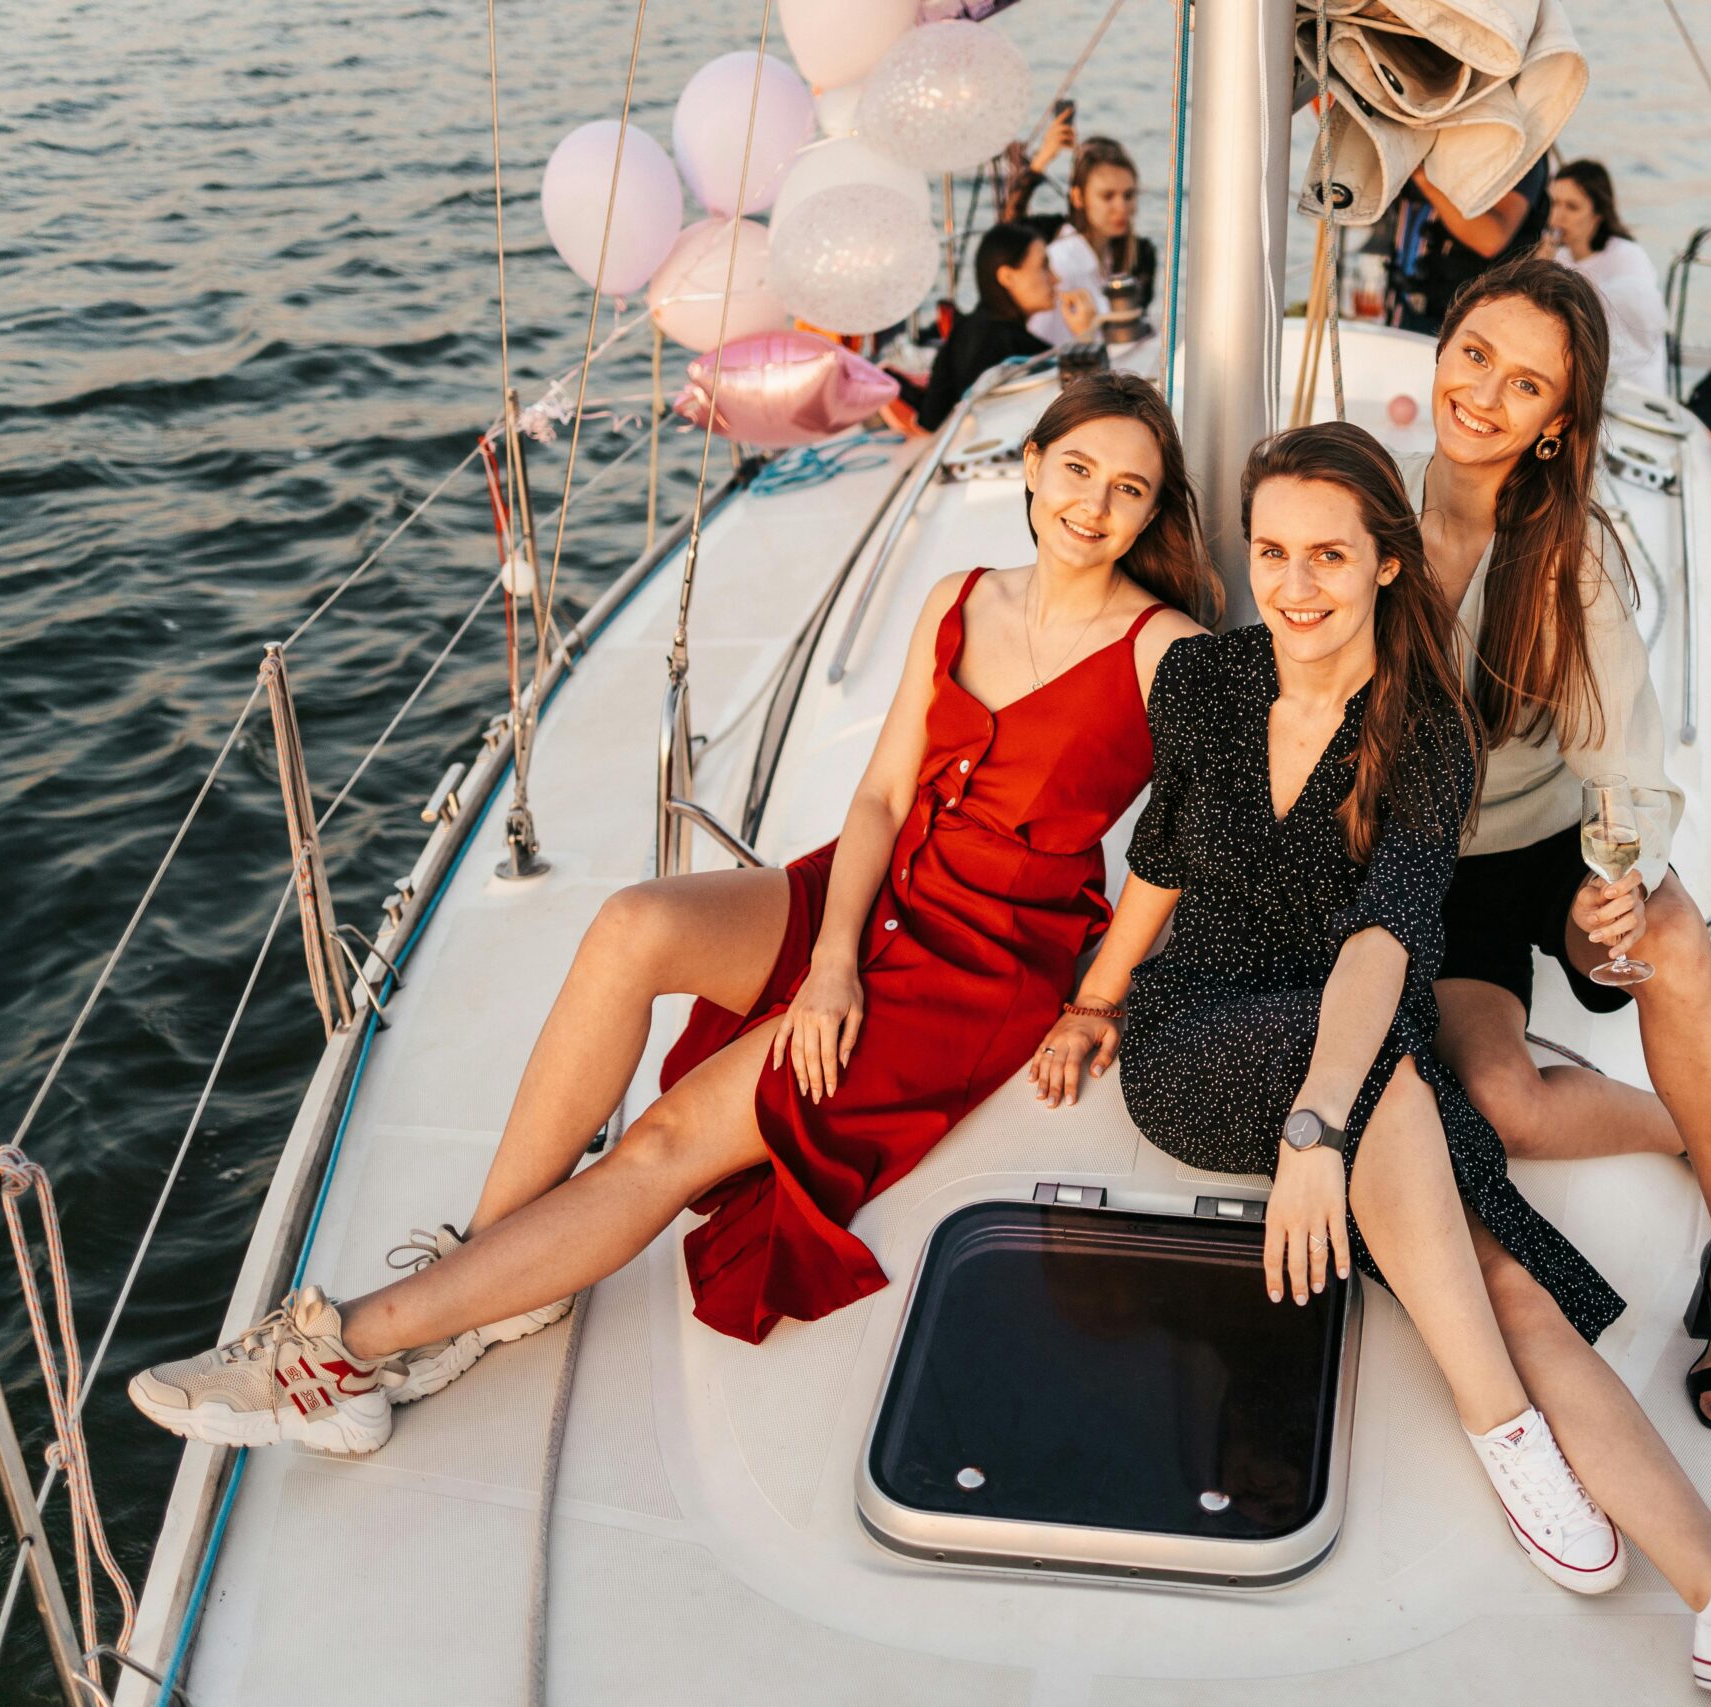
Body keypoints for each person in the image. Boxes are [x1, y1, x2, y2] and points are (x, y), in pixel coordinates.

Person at [126, 373, 1214, 1452]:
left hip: (979, 963)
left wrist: (1097, 1000)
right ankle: (497, 1274)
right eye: (1077, 468)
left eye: (1127, 488)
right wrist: (831, 959)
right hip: (869, 890)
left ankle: (340, 1351)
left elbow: (1179, 845)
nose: (1093, 503)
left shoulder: (1167, 650)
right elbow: (883, 797)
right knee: (631, 926)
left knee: (669, 1137)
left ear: (1151, 510)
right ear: (1030, 465)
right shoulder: (960, 595)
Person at [1027, 422, 1711, 1695]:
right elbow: (1161, 854)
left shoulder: (1427, 730)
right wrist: (1097, 999)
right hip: (1199, 1028)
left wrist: (1318, 1124)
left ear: (1386, 562)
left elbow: (1387, 936)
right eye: (1270, 553)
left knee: (1510, 1280)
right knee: (1404, 1119)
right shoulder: (1206, 677)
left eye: (1328, 555)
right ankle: (1504, 1427)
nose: (1294, 585)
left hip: (1360, 1038)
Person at [1403, 257, 1711, 1435]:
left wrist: (1617, 882)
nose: (1484, 394)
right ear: (1443, 345)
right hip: (1431, 866)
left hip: (1548, 842)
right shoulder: (1369, 509)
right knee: (1503, 1106)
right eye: (1475, 355)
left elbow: (1624, 762)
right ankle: (1703, 1131)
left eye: (1525, 385)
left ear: (1554, 423)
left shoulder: (1566, 559)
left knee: (1668, 938)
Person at [914, 222, 1097, 432]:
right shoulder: (1016, 348)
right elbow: (1086, 409)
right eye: (1044, 266)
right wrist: (1086, 338)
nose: (1056, 278)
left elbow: (930, 417)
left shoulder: (964, 329)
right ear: (1007, 277)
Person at [1009, 132, 1157, 345]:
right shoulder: (1055, 250)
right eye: (1107, 196)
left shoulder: (1140, 254)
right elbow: (1005, 237)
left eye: (1129, 195)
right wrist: (1041, 161)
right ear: (1078, 197)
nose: (1122, 207)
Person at [1382, 154, 1552, 336]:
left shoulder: (1519, 150)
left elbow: (1490, 239)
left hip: (1465, 326)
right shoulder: (1429, 146)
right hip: (1400, 314)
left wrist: (1420, 174)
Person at [1540, 159, 1670, 396]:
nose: (1557, 217)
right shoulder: (1559, 257)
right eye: (1554, 203)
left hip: (1630, 383)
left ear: (1597, 214)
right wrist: (1539, 269)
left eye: (1572, 207)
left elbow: (1642, 328)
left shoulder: (1627, 256)